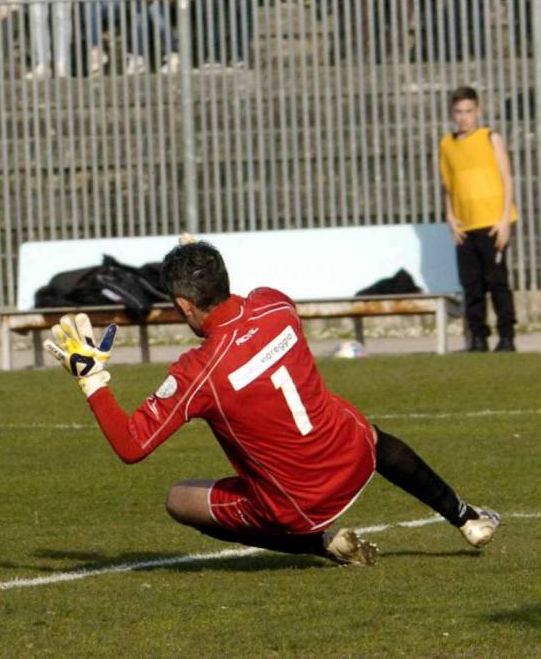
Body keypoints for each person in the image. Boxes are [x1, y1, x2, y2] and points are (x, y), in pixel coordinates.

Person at [45, 239, 501, 565]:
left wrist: (92, 379)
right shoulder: (275, 303)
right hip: (356, 456)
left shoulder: (198, 372)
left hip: (300, 507)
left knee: (178, 498)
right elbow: (242, 310)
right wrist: (201, 262)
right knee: (362, 426)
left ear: (184, 307)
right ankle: (466, 518)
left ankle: (322, 543)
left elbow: (131, 445)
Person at [439, 86, 518, 352]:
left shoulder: (489, 138)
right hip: (465, 225)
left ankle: (506, 336)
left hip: (493, 221)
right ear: (453, 113)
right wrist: (450, 216)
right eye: (459, 112)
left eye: (468, 111)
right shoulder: (446, 144)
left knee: (496, 281)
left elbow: (507, 179)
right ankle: (478, 337)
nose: (464, 117)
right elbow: (448, 185)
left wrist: (505, 220)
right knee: (471, 285)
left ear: (478, 111)